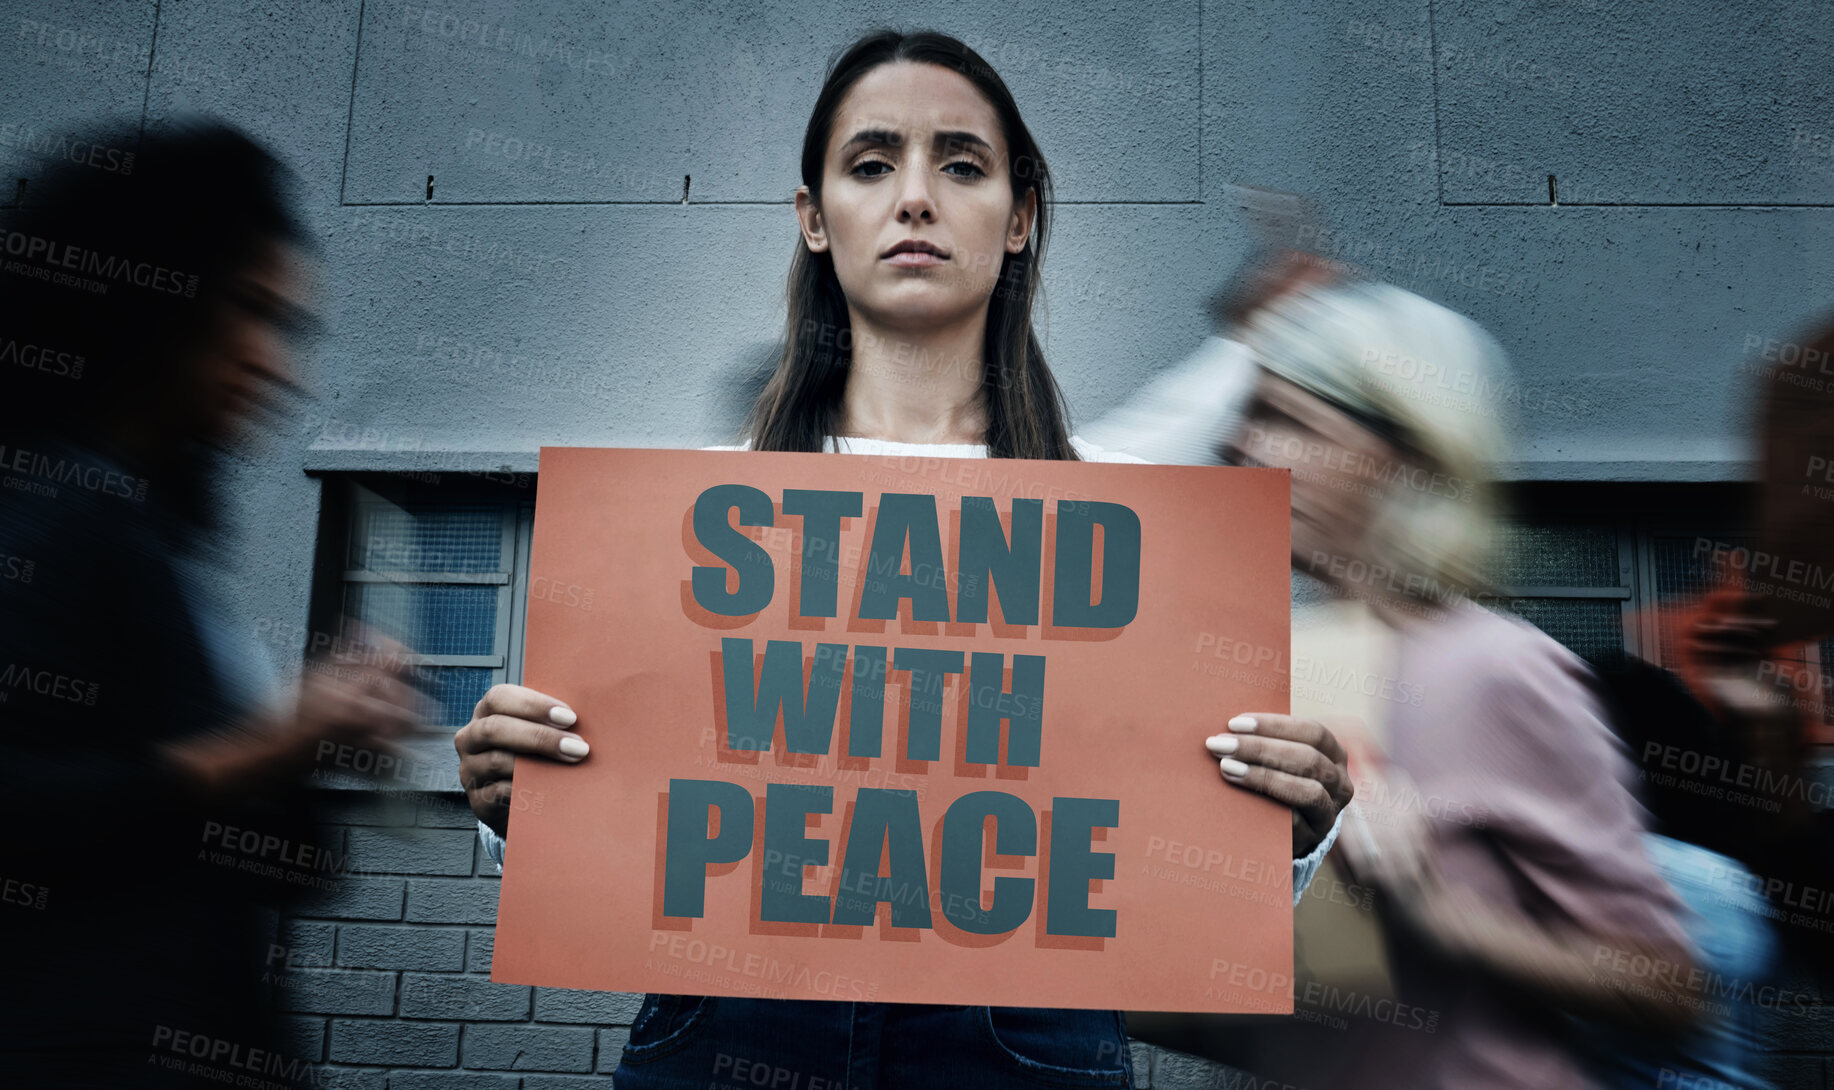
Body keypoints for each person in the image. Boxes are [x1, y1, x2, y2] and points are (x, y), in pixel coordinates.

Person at [454, 29, 1352, 1088]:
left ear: (1018, 218)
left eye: (961, 165)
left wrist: (1292, 829)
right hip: (728, 1027)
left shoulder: (1133, 518)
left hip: (1025, 1036)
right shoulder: (679, 518)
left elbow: (1175, 848)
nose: (915, 198)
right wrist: (520, 801)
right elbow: (618, 828)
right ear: (813, 216)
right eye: (872, 164)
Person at [0, 119, 421, 1087]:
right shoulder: (50, 509)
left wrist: (315, 748)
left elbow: (257, 857)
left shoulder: (155, 527)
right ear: (147, 295)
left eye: (289, 327)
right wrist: (278, 743)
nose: (278, 365)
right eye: (250, 311)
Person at [1216, 280, 1710, 1090]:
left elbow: (1673, 989)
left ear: (1403, 460)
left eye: (1289, 421)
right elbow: (1329, 1002)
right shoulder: (1301, 661)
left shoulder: (1498, 668)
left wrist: (1442, 918)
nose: (1238, 445)